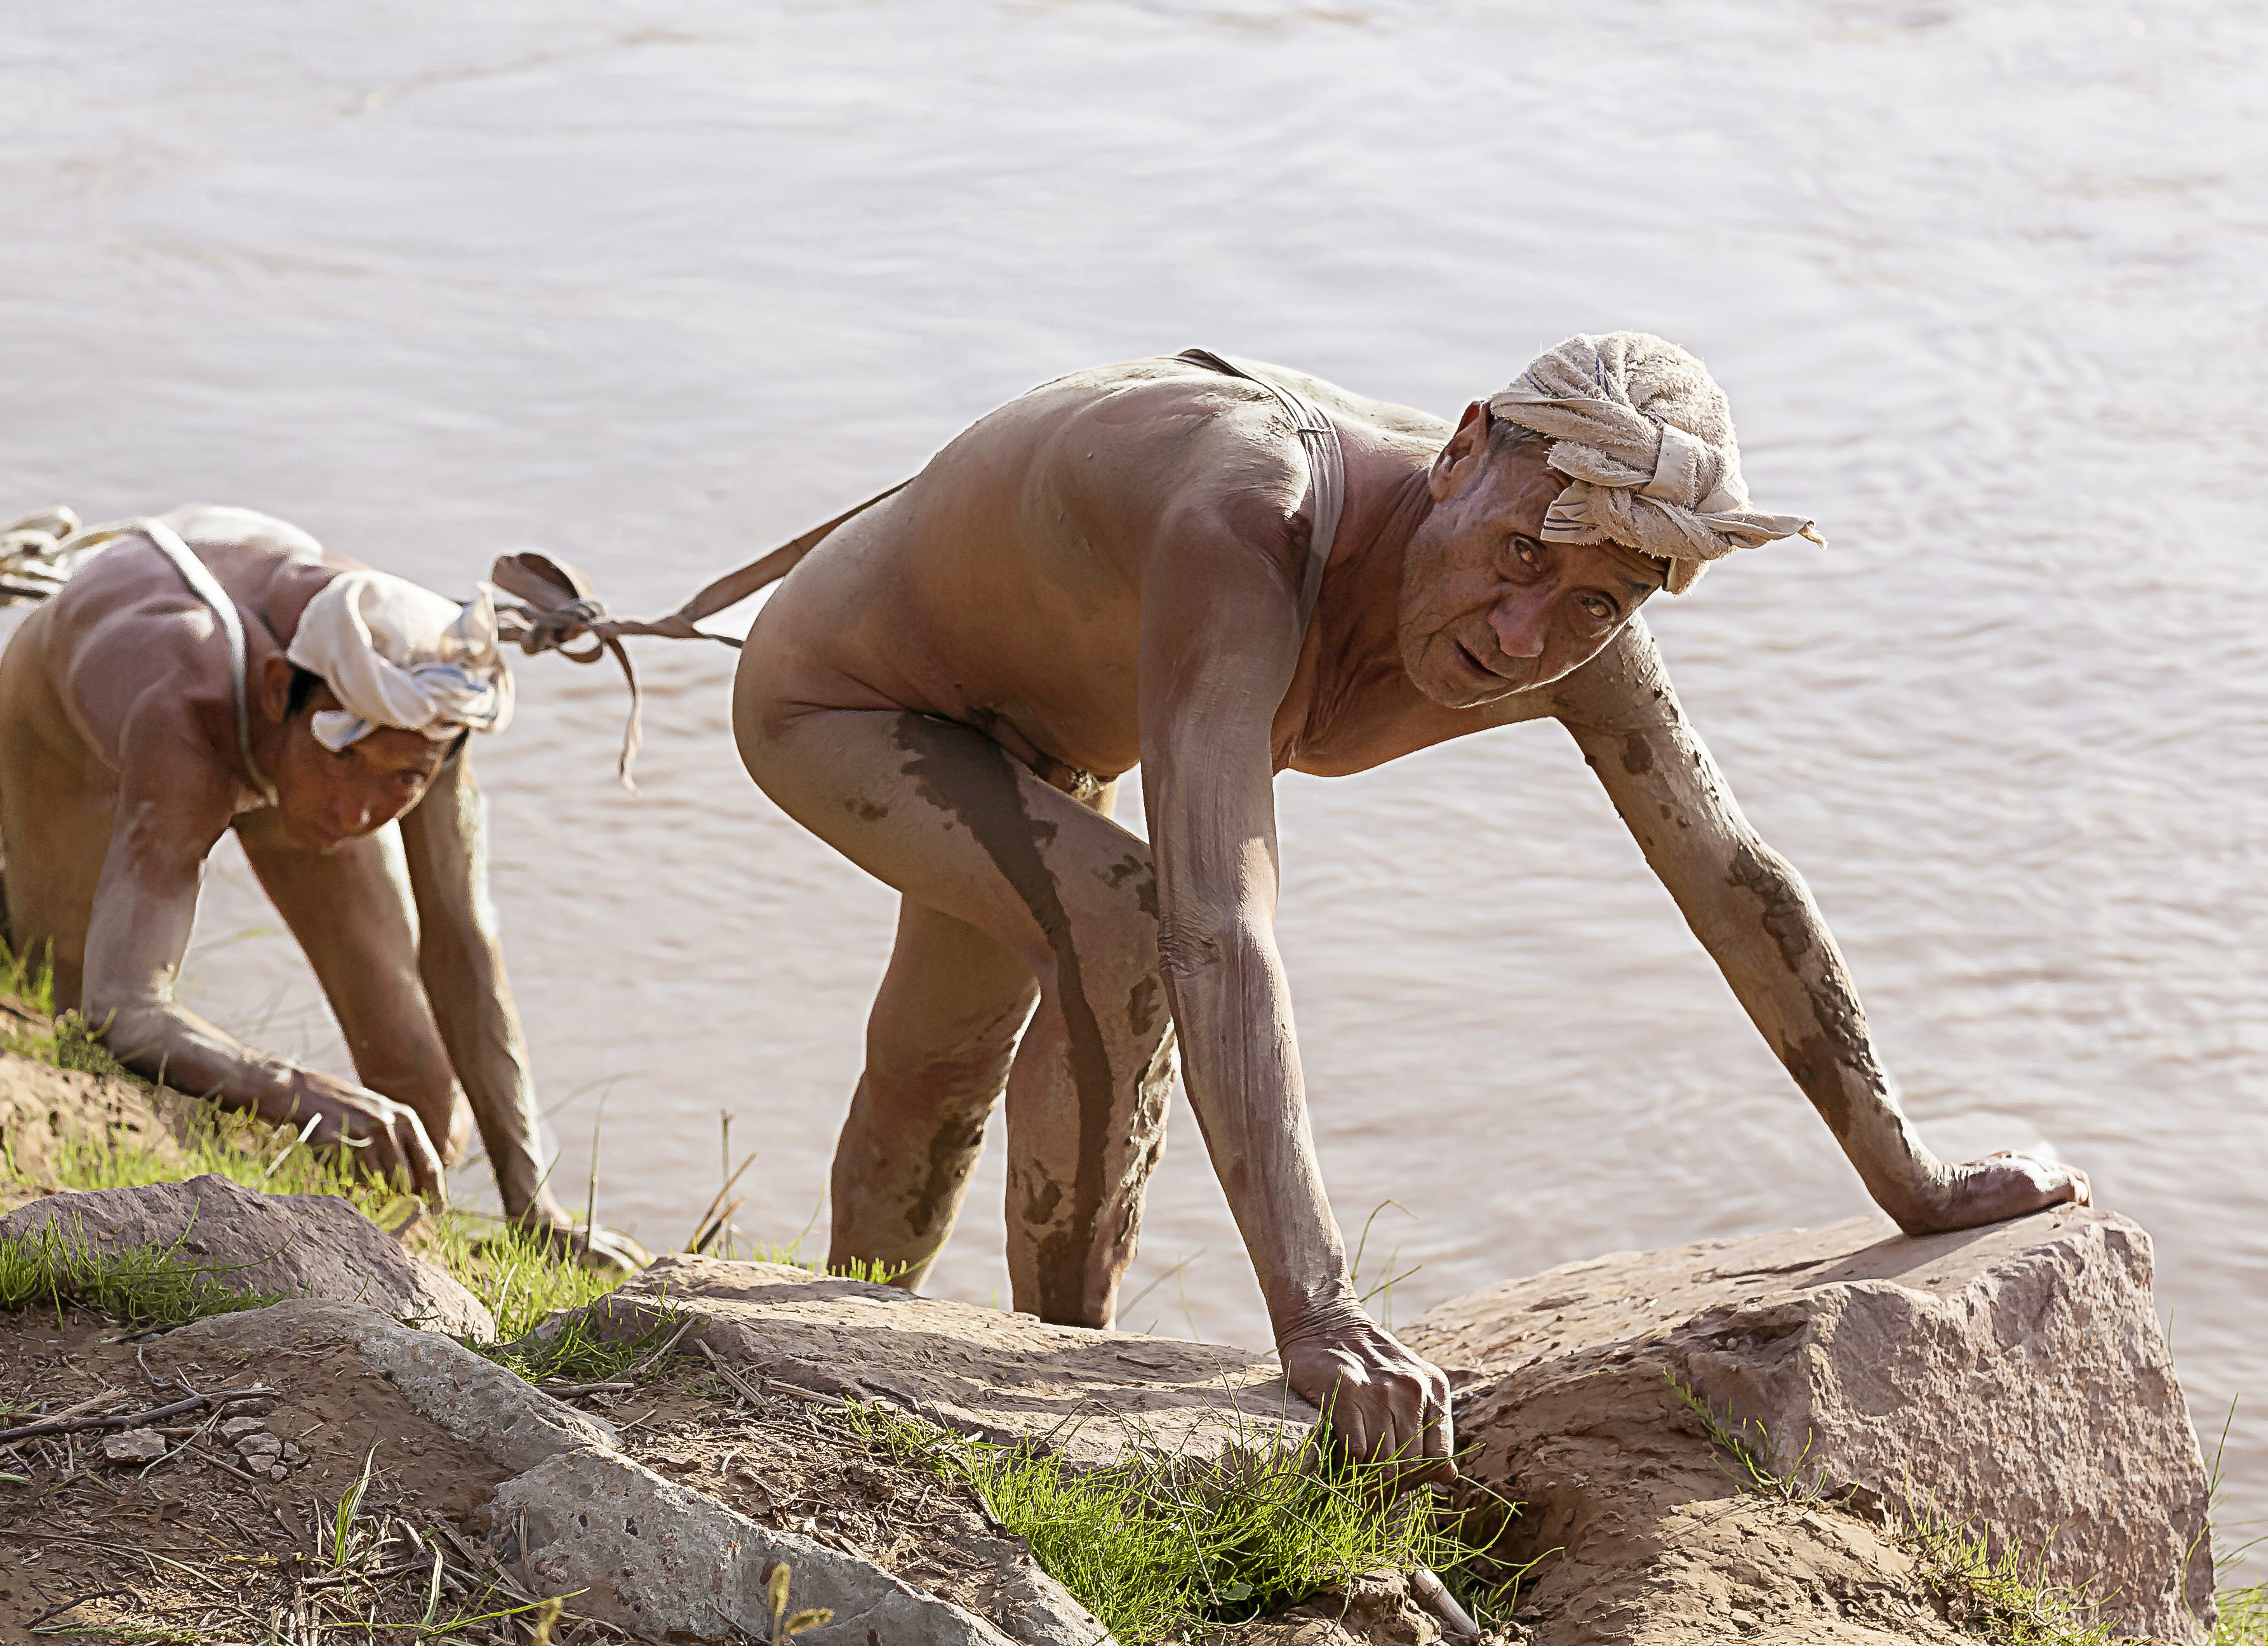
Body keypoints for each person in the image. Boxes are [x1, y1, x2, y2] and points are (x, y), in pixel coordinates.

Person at [729, 333, 2090, 1472]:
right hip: (852, 695)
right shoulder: (1249, 520)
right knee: (1112, 935)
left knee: (944, 1062)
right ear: (1457, 454)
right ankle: (1051, 1397)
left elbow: (1728, 874)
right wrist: (1316, 1309)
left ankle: (857, 1358)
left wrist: (1904, 1174)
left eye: (1595, 603)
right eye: (1511, 560)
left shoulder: (1576, 603)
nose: (1523, 637)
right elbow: (1217, 925)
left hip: (1046, 729)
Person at [0, 504, 637, 1264]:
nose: (360, 812)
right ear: (277, 691)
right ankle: (1, 902)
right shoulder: (182, 707)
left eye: (403, 780)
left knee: (422, 1103)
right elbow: (120, 1009)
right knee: (69, 1013)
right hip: (74, 720)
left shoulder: (425, 707)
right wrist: (289, 1090)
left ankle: (401, 1262)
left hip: (286, 744)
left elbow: (463, 946)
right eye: (348, 764)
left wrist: (538, 1212)